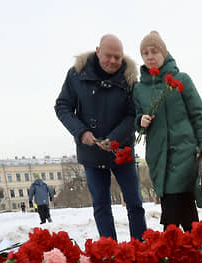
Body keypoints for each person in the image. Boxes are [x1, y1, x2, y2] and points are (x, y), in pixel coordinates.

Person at [54, 34, 147, 240]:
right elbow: (62, 106)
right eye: (108, 56)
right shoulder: (76, 75)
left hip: (122, 150)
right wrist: (82, 132)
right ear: (98, 51)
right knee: (101, 206)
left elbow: (133, 113)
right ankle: (110, 252)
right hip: (91, 154)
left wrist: (114, 138)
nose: (113, 61)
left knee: (134, 204)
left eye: (117, 57)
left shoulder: (129, 78)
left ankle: (141, 249)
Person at [133, 31, 202, 232]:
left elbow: (198, 114)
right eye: (145, 53)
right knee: (184, 204)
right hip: (158, 156)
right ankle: (193, 245)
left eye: (154, 51)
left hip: (185, 153)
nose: (150, 56)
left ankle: (172, 240)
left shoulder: (182, 80)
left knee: (174, 201)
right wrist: (140, 121)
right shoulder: (139, 89)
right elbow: (135, 117)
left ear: (164, 53)